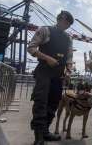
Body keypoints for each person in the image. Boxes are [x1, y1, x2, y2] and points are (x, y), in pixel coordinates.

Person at [28, 10, 74, 145]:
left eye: (68, 24)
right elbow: (31, 48)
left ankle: (46, 132)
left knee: (53, 103)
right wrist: (47, 58)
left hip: (58, 75)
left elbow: (69, 58)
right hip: (44, 72)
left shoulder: (68, 38)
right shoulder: (45, 30)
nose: (66, 25)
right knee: (41, 103)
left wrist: (68, 72)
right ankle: (38, 137)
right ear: (59, 19)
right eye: (64, 21)